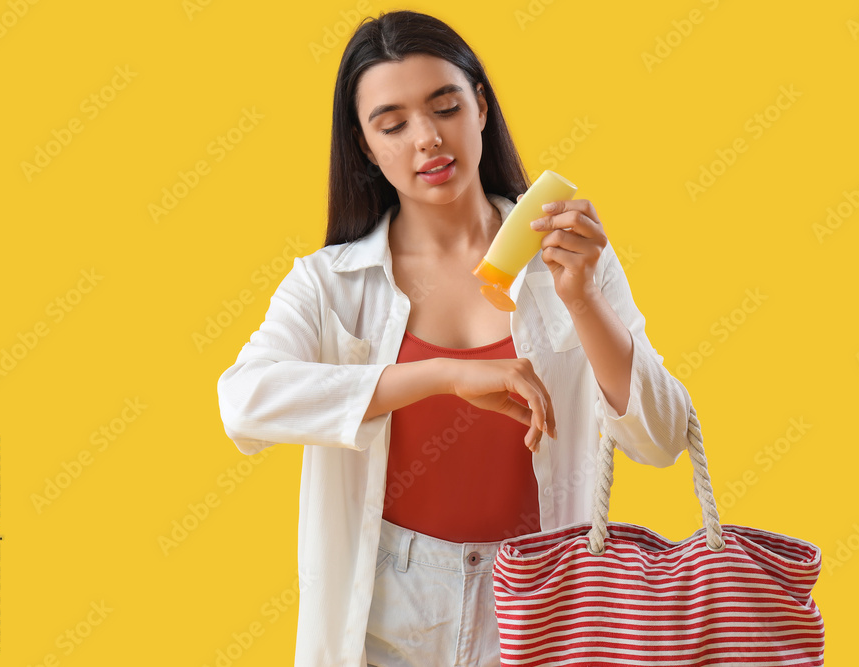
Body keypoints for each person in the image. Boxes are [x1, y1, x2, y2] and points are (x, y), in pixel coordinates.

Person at [216, 10, 694, 667]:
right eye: (393, 123)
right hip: (388, 603)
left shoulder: (570, 260)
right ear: (363, 144)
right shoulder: (330, 284)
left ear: (481, 108)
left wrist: (581, 297)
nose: (427, 140)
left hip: (539, 595)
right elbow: (244, 402)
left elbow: (664, 436)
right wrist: (443, 374)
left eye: (445, 106)